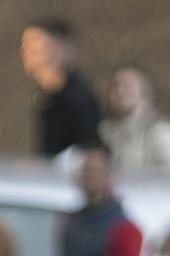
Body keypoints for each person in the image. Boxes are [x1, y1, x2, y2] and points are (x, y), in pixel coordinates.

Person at [100, 63, 170, 186]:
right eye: (115, 86)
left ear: (144, 92)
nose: (120, 92)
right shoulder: (108, 133)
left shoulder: (160, 133)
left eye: (127, 86)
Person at [20, 20, 102, 157]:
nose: (25, 51)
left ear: (59, 49)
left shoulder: (79, 98)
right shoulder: (45, 95)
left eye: (34, 45)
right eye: (25, 45)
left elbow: (87, 150)